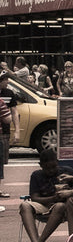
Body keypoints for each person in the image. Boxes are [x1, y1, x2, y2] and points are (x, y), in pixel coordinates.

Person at [19, 149, 73, 242]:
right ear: (41, 165)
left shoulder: (67, 171)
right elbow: (34, 198)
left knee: (60, 206)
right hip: (44, 204)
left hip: (64, 207)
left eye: (54, 167)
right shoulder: (36, 175)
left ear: (57, 162)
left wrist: (71, 186)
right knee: (24, 205)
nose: (51, 171)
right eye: (47, 168)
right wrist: (52, 198)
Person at [0, 72, 20, 201]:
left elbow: (14, 111)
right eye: (5, 80)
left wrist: (17, 130)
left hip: (4, 132)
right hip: (1, 131)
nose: (7, 82)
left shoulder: (9, 93)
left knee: (2, 161)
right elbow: (8, 117)